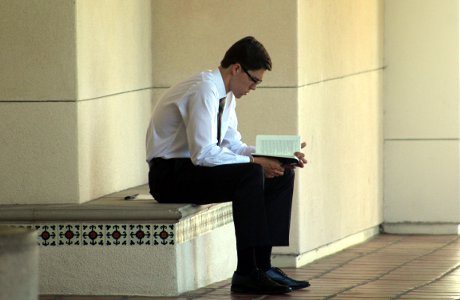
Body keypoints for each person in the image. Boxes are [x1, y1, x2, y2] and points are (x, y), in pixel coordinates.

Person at [146, 36, 309, 294]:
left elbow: (233, 146)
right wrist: (256, 162)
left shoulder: (228, 95)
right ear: (236, 68)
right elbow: (203, 153)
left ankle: (263, 266)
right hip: (169, 175)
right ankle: (246, 272)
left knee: (280, 174)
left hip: (192, 170)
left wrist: (278, 156)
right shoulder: (204, 89)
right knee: (252, 173)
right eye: (254, 80)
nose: (254, 88)